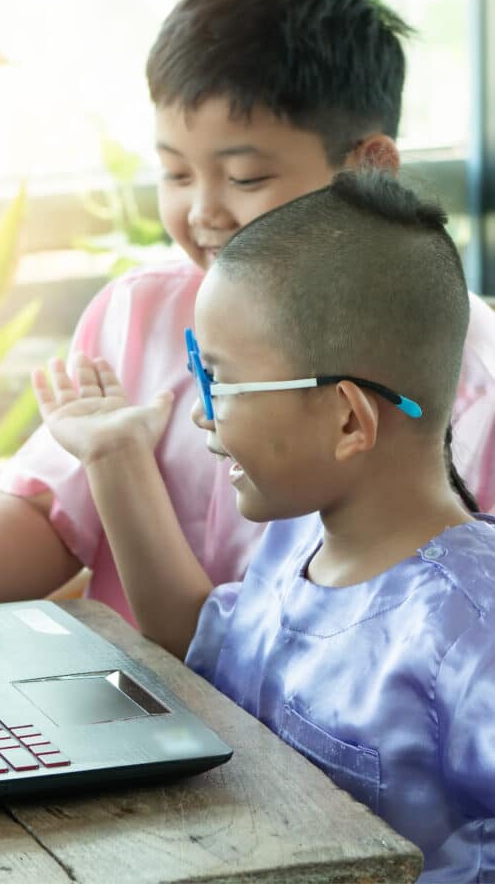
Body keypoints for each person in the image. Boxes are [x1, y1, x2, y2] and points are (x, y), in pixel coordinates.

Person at [0, 0, 495, 622]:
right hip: (131, 706)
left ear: (366, 166)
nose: (202, 211)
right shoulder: (137, 314)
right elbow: (53, 513)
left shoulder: (461, 367)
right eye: (175, 174)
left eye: (245, 179)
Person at [33, 170, 495, 882]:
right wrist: (114, 451)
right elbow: (198, 639)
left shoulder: (471, 628)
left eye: (219, 381)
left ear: (346, 418)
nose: (200, 411)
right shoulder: (296, 542)